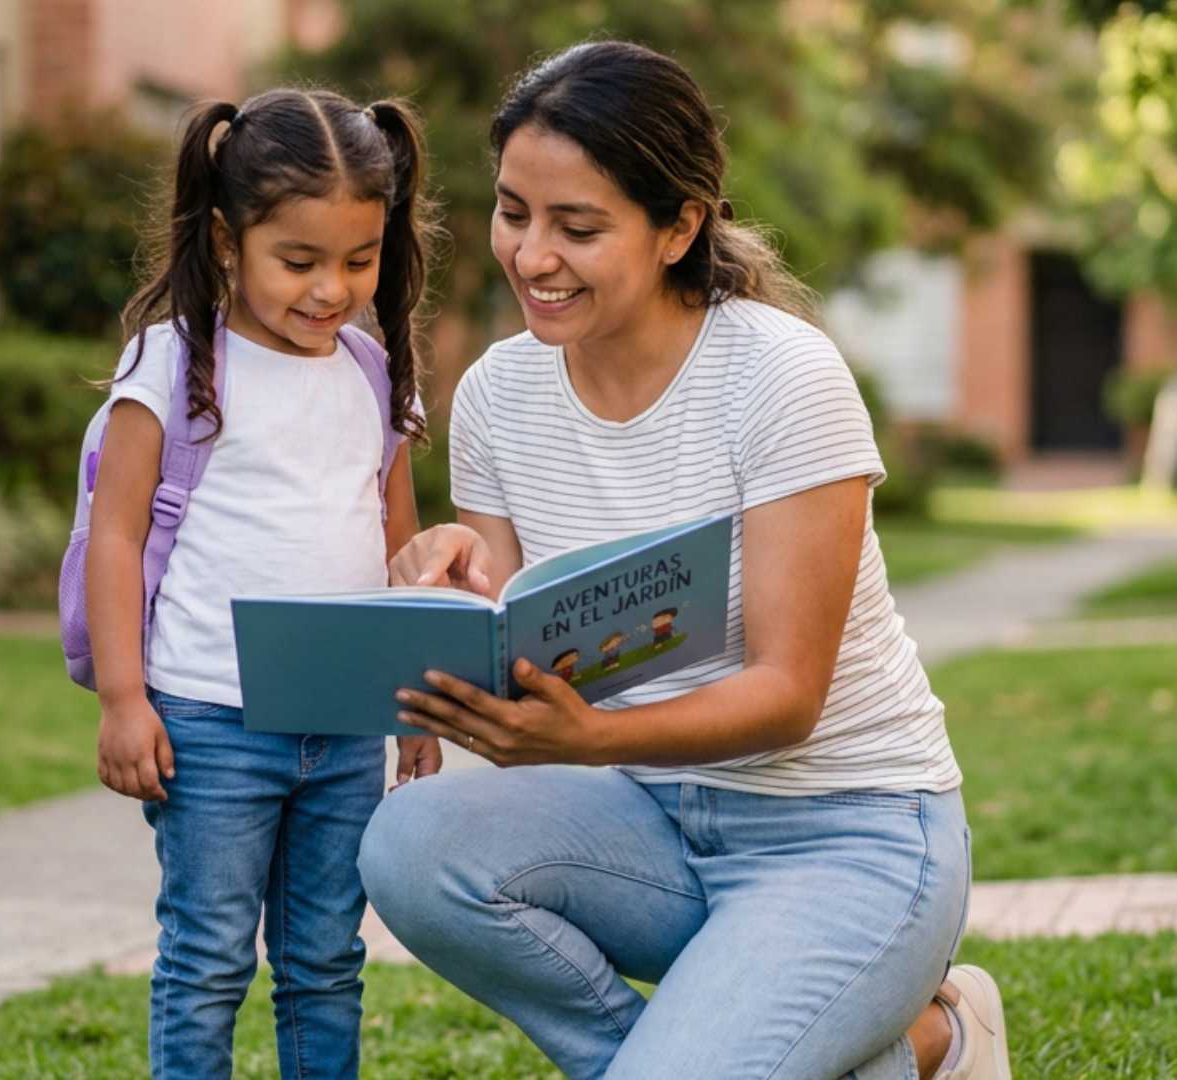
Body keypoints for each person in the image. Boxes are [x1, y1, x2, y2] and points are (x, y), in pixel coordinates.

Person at [359, 42, 1010, 1080]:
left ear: (678, 227)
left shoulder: (780, 377)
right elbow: (516, 636)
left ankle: (942, 1030)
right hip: (647, 821)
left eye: (578, 228)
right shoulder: (496, 393)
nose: (532, 256)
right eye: (514, 211)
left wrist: (585, 737)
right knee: (409, 844)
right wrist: (446, 581)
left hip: (847, 837)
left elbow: (787, 697)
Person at [83, 87, 444, 1080]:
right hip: (207, 722)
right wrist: (124, 700)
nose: (331, 288)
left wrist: (413, 698)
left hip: (343, 725)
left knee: (327, 960)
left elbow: (396, 539)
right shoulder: (172, 363)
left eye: (358, 260)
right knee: (204, 960)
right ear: (226, 239)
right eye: (300, 261)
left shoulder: (373, 373)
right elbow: (114, 537)